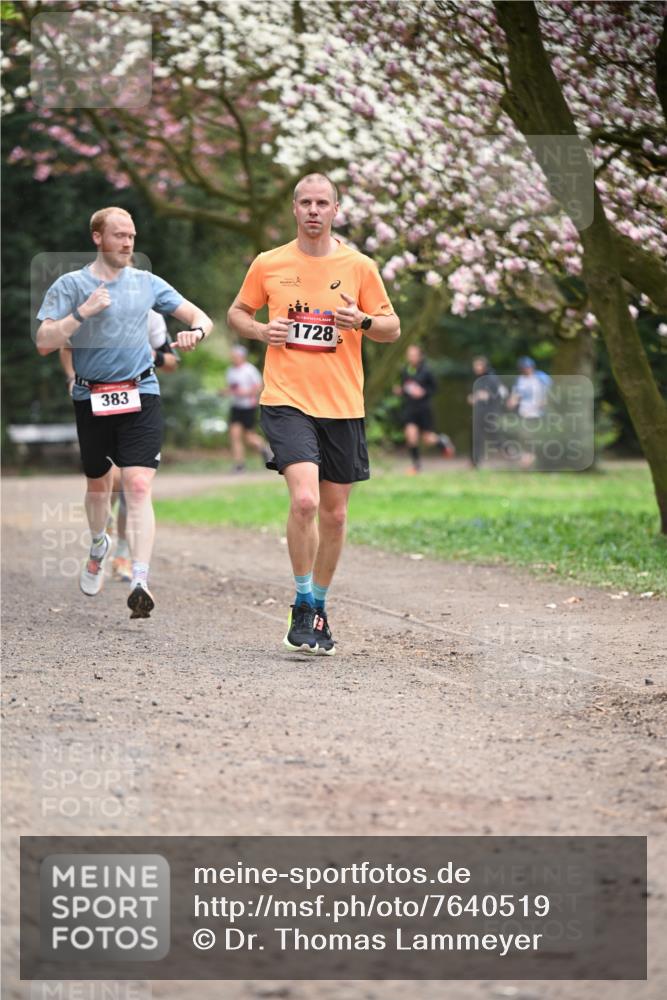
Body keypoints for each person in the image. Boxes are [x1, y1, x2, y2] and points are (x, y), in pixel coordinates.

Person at [227, 173, 400, 655]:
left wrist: (362, 320)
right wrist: (261, 331)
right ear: (294, 208)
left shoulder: (360, 266)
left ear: (335, 210)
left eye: (322, 203)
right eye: (305, 202)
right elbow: (238, 313)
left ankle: (319, 604)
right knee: (305, 501)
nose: (313, 211)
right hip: (287, 400)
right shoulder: (269, 263)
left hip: (343, 405)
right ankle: (302, 603)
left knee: (335, 515)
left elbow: (391, 328)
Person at [36, 206, 212, 618]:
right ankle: (99, 543)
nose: (128, 242)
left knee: (137, 485)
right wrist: (82, 313)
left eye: (131, 236)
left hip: (140, 392)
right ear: (97, 237)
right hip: (92, 396)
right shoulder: (70, 285)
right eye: (119, 235)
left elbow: (199, 316)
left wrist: (196, 332)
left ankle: (140, 579)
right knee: (99, 485)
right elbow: (44, 341)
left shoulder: (147, 283)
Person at [59, 309, 181, 582]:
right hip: (96, 403)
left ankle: (124, 554)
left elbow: (172, 361)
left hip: (138, 404)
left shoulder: (150, 316)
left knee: (133, 484)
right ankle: (104, 529)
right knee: (108, 482)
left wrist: (152, 356)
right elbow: (66, 346)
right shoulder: (91, 310)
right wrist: (71, 377)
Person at [393, 344, 455, 473]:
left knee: (428, 439)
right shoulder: (405, 370)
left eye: (413, 355)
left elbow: (435, 388)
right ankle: (416, 466)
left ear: (420, 356)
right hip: (410, 408)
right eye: (409, 355)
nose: (411, 357)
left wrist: (424, 392)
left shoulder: (427, 371)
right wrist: (401, 391)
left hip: (424, 409)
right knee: (411, 436)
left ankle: (442, 441)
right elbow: (406, 387)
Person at [223, 344, 272, 472]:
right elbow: (232, 388)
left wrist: (246, 393)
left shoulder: (249, 370)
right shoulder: (230, 371)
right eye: (233, 356)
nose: (234, 358)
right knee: (234, 435)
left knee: (249, 437)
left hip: (248, 407)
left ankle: (264, 448)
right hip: (236, 406)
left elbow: (259, 387)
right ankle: (239, 465)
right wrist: (225, 392)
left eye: (236, 356)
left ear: (242, 356)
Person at [507, 356, 553, 468]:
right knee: (524, 436)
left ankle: (533, 459)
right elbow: (516, 395)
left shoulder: (541, 378)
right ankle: (528, 459)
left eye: (528, 367)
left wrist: (543, 402)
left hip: (537, 414)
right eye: (524, 368)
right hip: (524, 412)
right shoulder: (520, 380)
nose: (526, 369)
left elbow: (548, 393)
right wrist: (511, 401)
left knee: (533, 436)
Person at [467, 355, 508, 467]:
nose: (476, 367)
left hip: (490, 413)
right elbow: (476, 395)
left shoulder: (492, 378)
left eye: (478, 365)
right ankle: (475, 462)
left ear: (485, 366)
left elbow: (502, 393)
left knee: (496, 438)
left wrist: (488, 396)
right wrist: (473, 397)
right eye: (475, 365)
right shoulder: (478, 379)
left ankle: (512, 454)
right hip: (479, 413)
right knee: (476, 437)